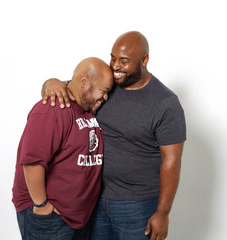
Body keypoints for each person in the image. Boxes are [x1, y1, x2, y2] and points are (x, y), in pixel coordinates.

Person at [41, 31, 186, 240]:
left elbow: (172, 160)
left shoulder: (165, 103)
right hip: (93, 197)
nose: (115, 66)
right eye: (113, 58)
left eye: (124, 61)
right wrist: (51, 83)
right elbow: (66, 87)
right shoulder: (105, 83)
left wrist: (163, 213)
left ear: (144, 60)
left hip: (137, 205)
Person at [12, 57, 113, 240]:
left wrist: (53, 82)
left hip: (78, 217)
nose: (105, 97)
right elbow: (33, 161)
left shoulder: (86, 107)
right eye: (104, 91)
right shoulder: (53, 108)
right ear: (84, 82)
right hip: (51, 218)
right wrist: (42, 205)